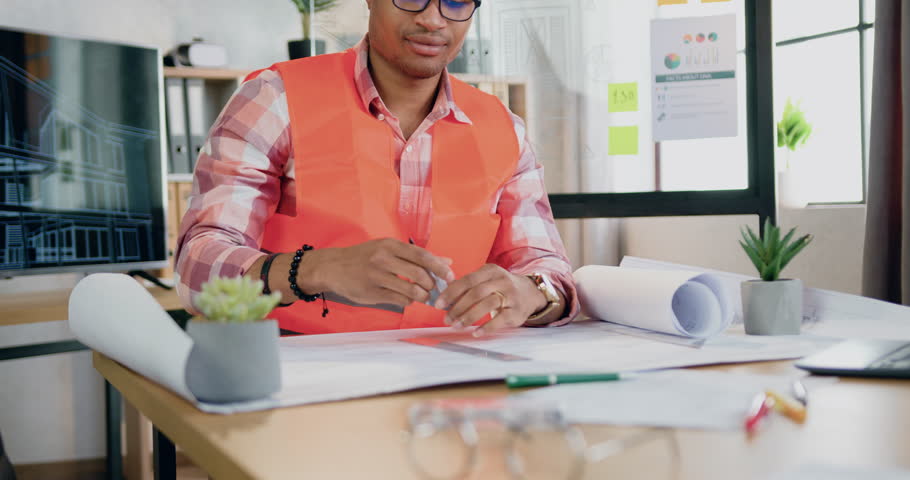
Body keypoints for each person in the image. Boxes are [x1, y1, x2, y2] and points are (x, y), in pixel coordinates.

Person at [174, 0, 578, 336]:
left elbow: (549, 270)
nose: (432, 19)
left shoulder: (504, 129)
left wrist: (531, 291)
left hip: (453, 384)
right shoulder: (274, 99)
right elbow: (196, 268)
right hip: (295, 379)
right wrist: (316, 268)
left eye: (455, 1)